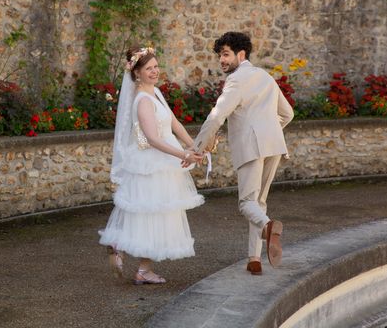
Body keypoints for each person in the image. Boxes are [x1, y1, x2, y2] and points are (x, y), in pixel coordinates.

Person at [99, 46, 204, 285]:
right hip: (153, 163)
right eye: (149, 68)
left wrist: (194, 145)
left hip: (165, 160)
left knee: (157, 218)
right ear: (136, 73)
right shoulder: (143, 100)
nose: (155, 71)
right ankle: (122, 248)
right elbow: (153, 139)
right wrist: (183, 154)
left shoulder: (155, 92)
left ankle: (142, 268)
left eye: (156, 66)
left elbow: (173, 123)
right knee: (152, 217)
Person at [192, 32, 294, 276]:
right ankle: (254, 258)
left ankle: (269, 228)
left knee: (246, 203)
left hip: (252, 147)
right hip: (274, 145)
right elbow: (288, 113)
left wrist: (197, 148)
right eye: (219, 55)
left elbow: (217, 116)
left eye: (226, 54)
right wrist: (268, 130)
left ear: (241, 54)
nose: (222, 60)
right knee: (258, 202)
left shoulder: (236, 80)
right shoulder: (265, 76)